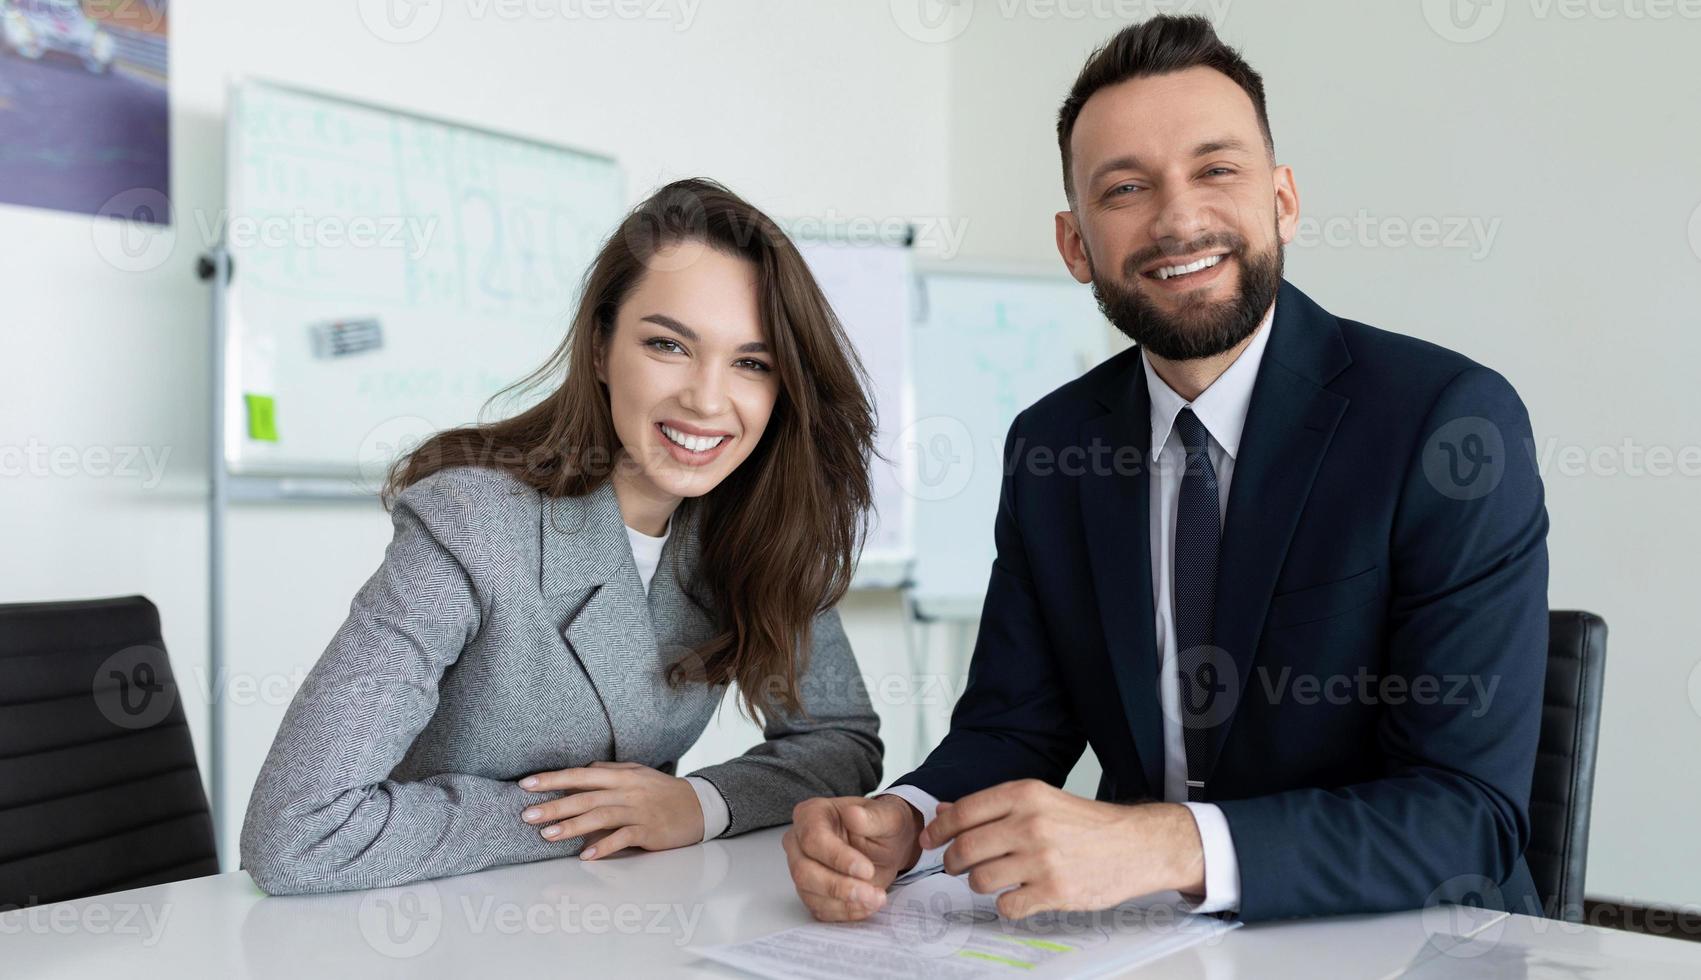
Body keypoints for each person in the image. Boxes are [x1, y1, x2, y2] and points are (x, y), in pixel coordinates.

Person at [784, 15, 1549, 924]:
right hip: (1157, 942)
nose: (1178, 218)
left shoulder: (1444, 421)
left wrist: (1166, 842)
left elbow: (1467, 814)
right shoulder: (1051, 447)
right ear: (1076, 246)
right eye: (1126, 188)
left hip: (1411, 938)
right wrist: (904, 820)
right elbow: (1012, 725)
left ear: (1283, 201)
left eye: (1216, 170)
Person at [242, 178, 884, 895]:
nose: (707, 398)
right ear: (603, 346)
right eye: (669, 344)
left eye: (751, 362)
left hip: (624, 920)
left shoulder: (758, 526)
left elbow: (840, 743)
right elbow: (297, 832)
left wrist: (699, 806)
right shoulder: (471, 523)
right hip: (419, 920)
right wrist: (588, 817)